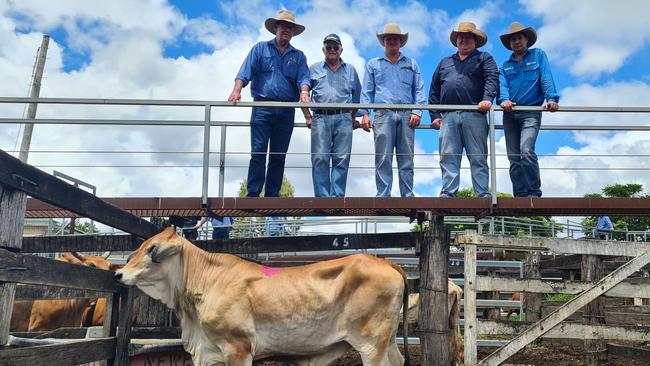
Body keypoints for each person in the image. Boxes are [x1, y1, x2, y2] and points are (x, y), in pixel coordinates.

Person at [228, 10, 310, 197]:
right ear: (275, 28)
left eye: (290, 28)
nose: (287, 30)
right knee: (258, 152)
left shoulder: (298, 56)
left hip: (286, 109)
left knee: (278, 155)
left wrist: (304, 92)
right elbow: (245, 71)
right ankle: (253, 193)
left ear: (293, 32)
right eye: (283, 26)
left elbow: (303, 78)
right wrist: (236, 90)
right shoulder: (260, 49)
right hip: (262, 107)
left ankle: (272, 195)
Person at [430, 22, 498, 198]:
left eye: (468, 37)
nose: (464, 40)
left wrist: (487, 99)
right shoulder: (445, 62)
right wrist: (435, 115)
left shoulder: (484, 58)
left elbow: (492, 79)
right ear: (456, 41)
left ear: (475, 40)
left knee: (478, 157)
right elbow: (434, 89)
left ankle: (482, 193)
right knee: (448, 156)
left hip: (475, 114)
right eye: (461, 37)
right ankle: (448, 192)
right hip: (448, 116)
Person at [360, 23, 426, 197]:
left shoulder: (412, 64)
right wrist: (365, 114)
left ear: (400, 42)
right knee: (383, 157)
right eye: (388, 38)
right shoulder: (373, 64)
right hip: (383, 113)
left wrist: (417, 112)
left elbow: (419, 90)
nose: (392, 41)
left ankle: (407, 195)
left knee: (407, 158)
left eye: (395, 38)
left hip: (407, 115)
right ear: (383, 42)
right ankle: (383, 195)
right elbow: (367, 91)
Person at [498, 22, 560, 197]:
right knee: (513, 157)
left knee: (526, 151)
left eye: (519, 38)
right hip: (510, 114)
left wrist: (551, 99)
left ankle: (533, 191)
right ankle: (520, 194)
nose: (516, 42)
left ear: (526, 39)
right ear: (509, 43)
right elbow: (502, 86)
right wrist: (504, 100)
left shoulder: (538, 55)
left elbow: (546, 77)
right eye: (513, 39)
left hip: (531, 111)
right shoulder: (505, 65)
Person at [305, 33, 362, 197]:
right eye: (328, 47)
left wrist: (352, 118)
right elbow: (303, 92)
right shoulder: (314, 68)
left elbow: (357, 97)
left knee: (342, 159)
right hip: (320, 117)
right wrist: (307, 116)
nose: (332, 50)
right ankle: (322, 198)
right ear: (323, 49)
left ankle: (337, 197)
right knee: (320, 158)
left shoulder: (350, 69)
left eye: (335, 47)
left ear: (341, 50)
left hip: (344, 117)